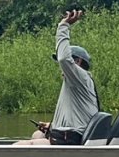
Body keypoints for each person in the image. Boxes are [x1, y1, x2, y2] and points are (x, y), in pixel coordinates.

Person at [14, 10, 101, 146]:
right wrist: (52, 126)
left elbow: (64, 58)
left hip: (71, 138)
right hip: (70, 134)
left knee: (16, 147)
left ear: (77, 61)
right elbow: (78, 117)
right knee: (37, 134)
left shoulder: (80, 77)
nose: (60, 67)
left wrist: (63, 25)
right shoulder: (79, 81)